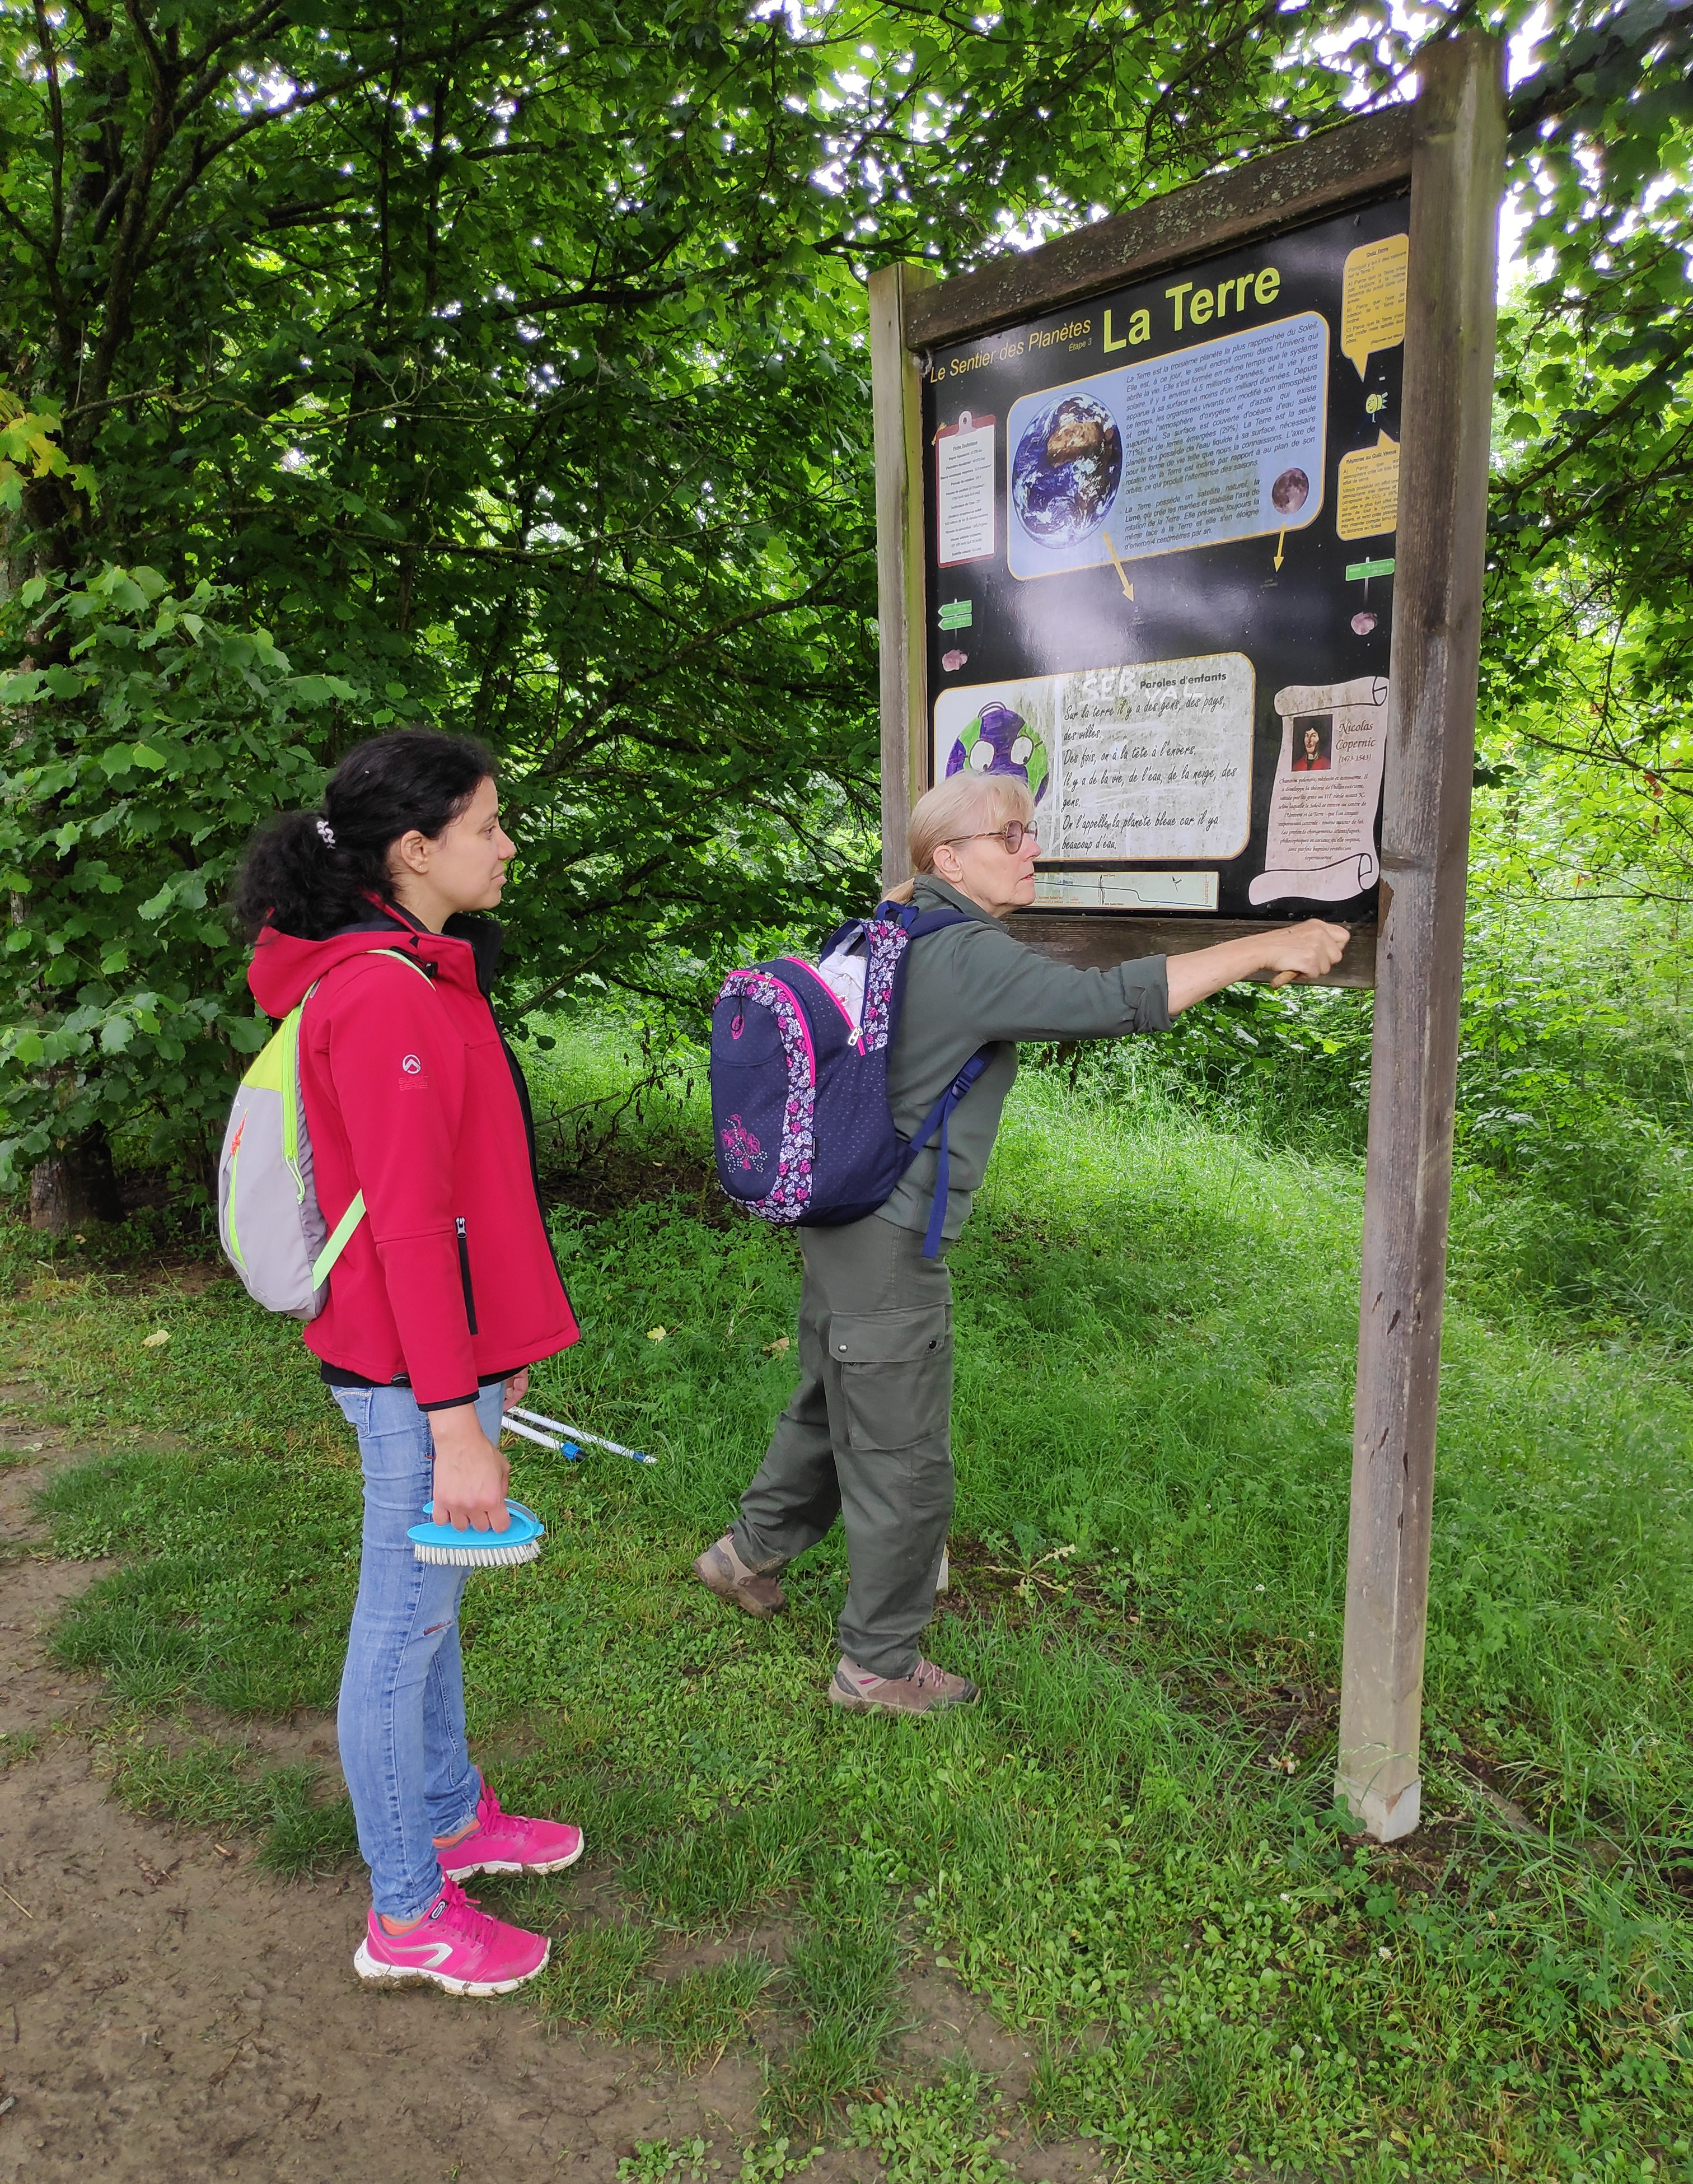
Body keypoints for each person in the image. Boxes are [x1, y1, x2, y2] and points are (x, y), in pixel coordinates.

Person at [695, 769, 1348, 1715]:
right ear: (949, 858)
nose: (1031, 847)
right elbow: (1114, 1002)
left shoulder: (894, 927)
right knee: (903, 1456)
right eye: (1009, 834)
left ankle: (746, 1555)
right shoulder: (962, 954)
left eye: (1029, 830)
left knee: (831, 1395)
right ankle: (877, 1666)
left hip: (837, 1219)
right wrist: (1267, 944)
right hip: (886, 1233)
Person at [237, 729, 583, 1995]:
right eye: (488, 826)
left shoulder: (420, 970)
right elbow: (409, 1225)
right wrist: (453, 1422)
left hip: (435, 1358)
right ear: (416, 850)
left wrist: (498, 1353)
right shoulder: (383, 990)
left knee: (430, 1614)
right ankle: (408, 1913)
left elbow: (470, 1186)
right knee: (401, 1629)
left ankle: (446, 1813)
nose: (507, 846)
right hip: (405, 1377)